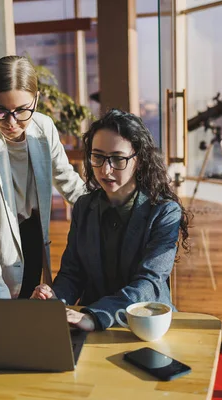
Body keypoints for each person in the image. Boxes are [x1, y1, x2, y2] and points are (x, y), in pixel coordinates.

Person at [31, 109, 190, 331]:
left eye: (117, 158)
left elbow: (149, 283)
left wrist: (95, 316)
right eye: (98, 157)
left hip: (147, 326)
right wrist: (56, 298)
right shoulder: (84, 207)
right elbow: (72, 273)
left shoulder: (164, 212)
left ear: (139, 159)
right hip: (89, 323)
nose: (106, 170)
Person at [0, 55, 86, 299]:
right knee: (1, 322)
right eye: (0, 111)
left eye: (22, 110)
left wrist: (109, 210)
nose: (12, 122)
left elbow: (68, 181)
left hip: (32, 232)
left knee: (29, 303)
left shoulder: (44, 128)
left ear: (36, 100)